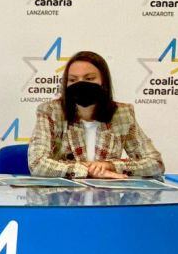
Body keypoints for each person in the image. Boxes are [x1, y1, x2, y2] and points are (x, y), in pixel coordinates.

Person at [28, 50, 164, 179]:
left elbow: (156, 164)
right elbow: (37, 164)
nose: (81, 84)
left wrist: (110, 166)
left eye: (89, 78)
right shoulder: (50, 111)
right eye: (73, 80)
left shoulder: (122, 114)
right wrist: (90, 171)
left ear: (103, 82)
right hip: (64, 198)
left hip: (107, 199)